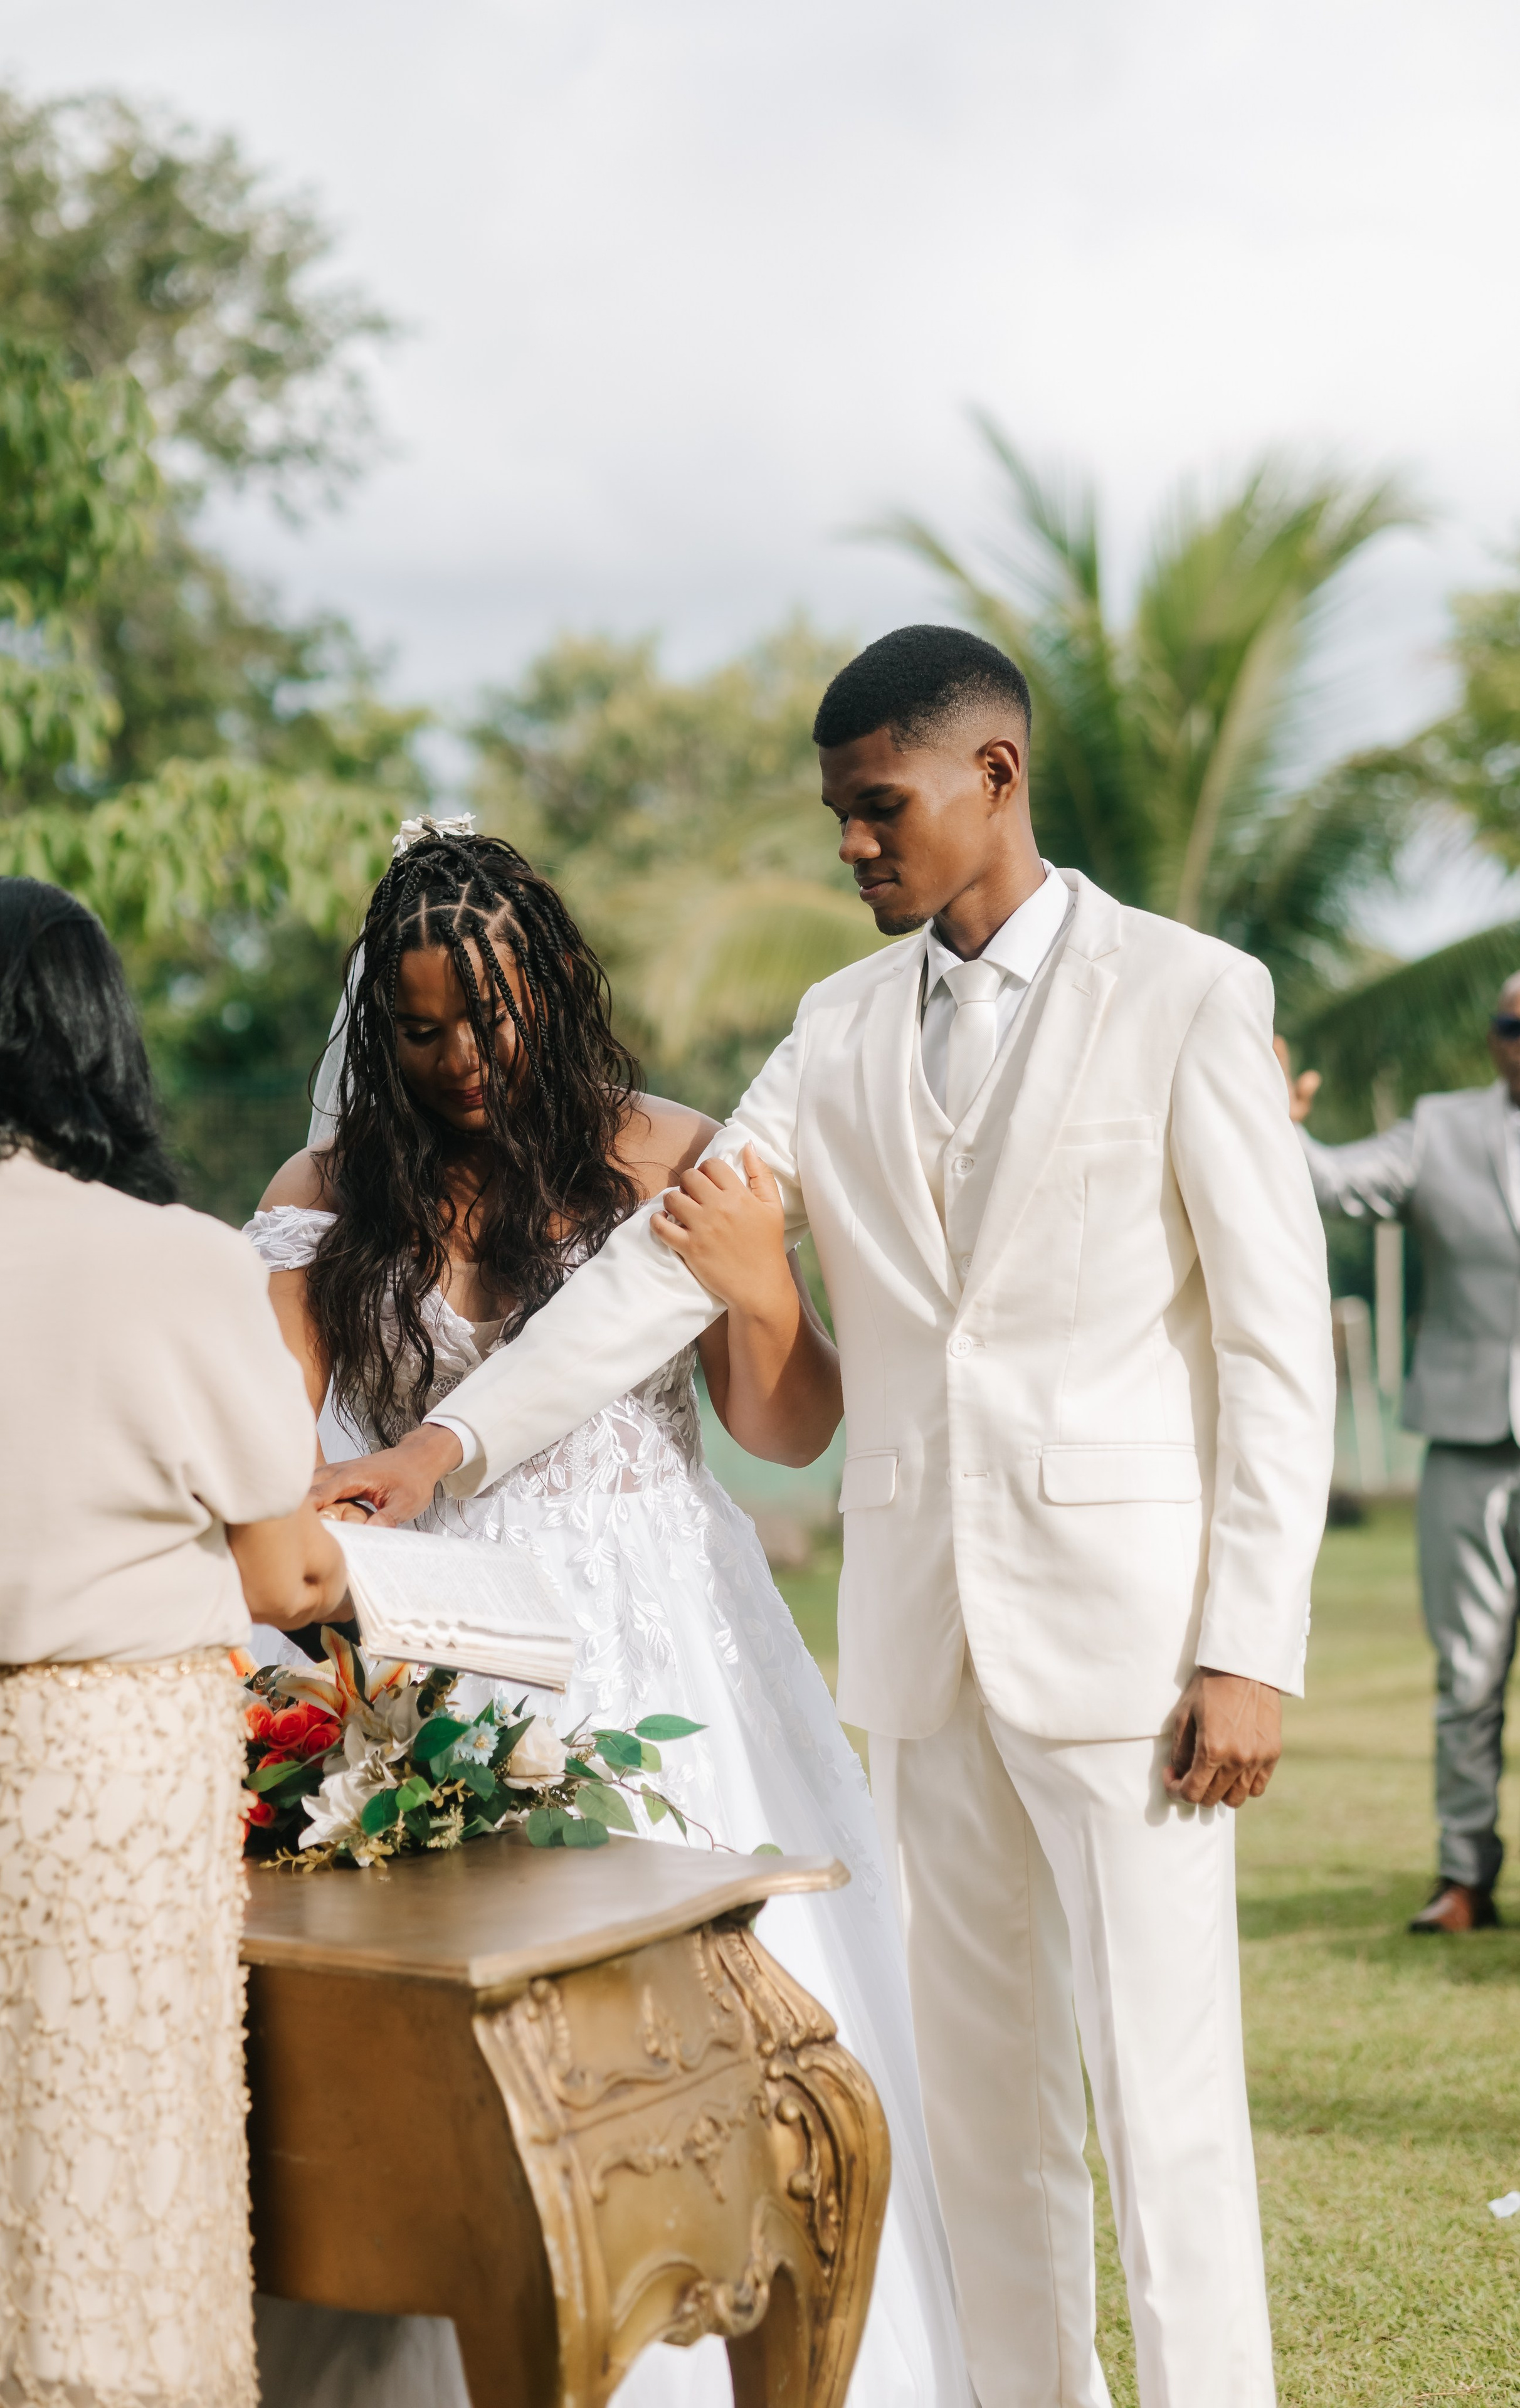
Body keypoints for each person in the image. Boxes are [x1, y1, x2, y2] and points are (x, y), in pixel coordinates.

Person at [325, 630, 1337, 2408]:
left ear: (994, 776)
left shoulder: (1190, 995)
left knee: (1164, 2110)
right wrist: (445, 1450)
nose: (853, 847)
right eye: (838, 818)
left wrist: (1248, 1649)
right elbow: (656, 1275)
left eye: (880, 809)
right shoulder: (838, 1026)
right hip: (924, 1653)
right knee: (981, 2112)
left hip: (1132, 1656)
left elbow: (1274, 1354)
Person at [247, 825, 971, 2408]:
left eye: (488, 1018)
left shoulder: (667, 1157)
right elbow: (265, 1450)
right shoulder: (326, 1192)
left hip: (667, 1636)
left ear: (559, 985)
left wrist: (760, 1284)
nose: (458, 1059)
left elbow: (787, 1426)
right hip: (441, 1645)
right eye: (419, 1031)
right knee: (481, 2049)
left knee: (721, 2030)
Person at [0, 879, 348, 2408]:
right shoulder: (177, 1262)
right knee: (100, 2176)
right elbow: (286, 1570)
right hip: (99, 1797)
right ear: (94, 1034)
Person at [1282, 978, 1520, 1935]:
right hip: (1467, 1441)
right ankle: (1464, 1877)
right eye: (1509, 1024)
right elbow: (1329, 1182)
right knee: (1467, 1674)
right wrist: (1274, 1121)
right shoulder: (1442, 1129)